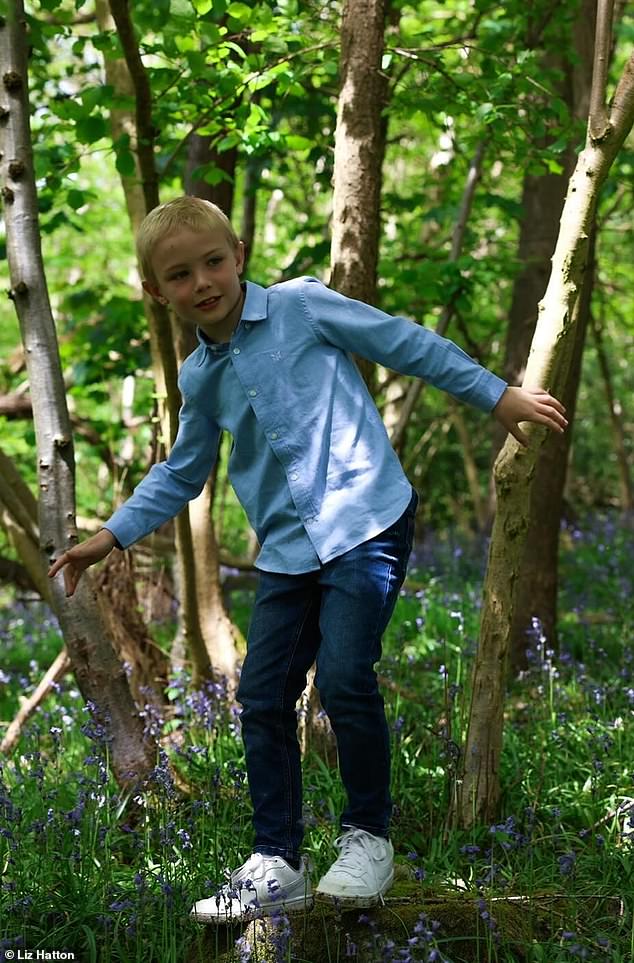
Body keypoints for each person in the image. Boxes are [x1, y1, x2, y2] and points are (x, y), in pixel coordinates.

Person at [48, 196, 567, 923]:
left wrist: (497, 394)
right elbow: (182, 470)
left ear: (238, 254)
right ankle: (277, 860)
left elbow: (403, 341)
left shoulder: (301, 307)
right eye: (179, 274)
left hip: (365, 519)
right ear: (155, 291)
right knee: (261, 696)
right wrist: (113, 532)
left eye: (213, 261)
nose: (202, 281)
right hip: (289, 552)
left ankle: (368, 837)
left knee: (348, 674)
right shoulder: (201, 377)